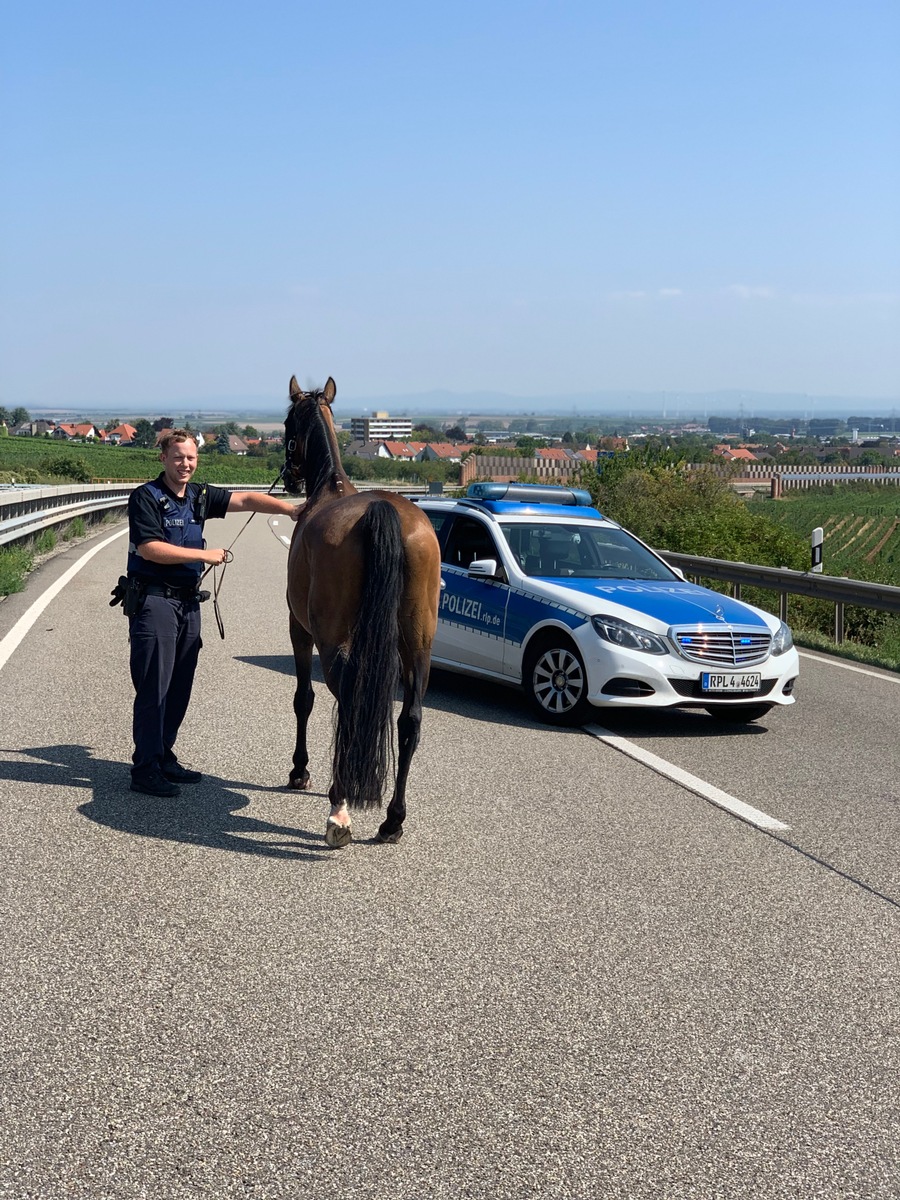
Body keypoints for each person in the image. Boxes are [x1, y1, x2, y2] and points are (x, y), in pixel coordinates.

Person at [125, 429, 301, 797]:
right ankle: (145, 768)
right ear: (163, 458)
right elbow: (150, 549)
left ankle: (164, 755)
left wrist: (292, 509)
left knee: (179, 686)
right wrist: (205, 556)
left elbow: (248, 499)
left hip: (189, 603)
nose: (185, 464)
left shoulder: (200, 496)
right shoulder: (146, 497)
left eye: (190, 457)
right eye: (178, 457)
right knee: (154, 687)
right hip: (155, 600)